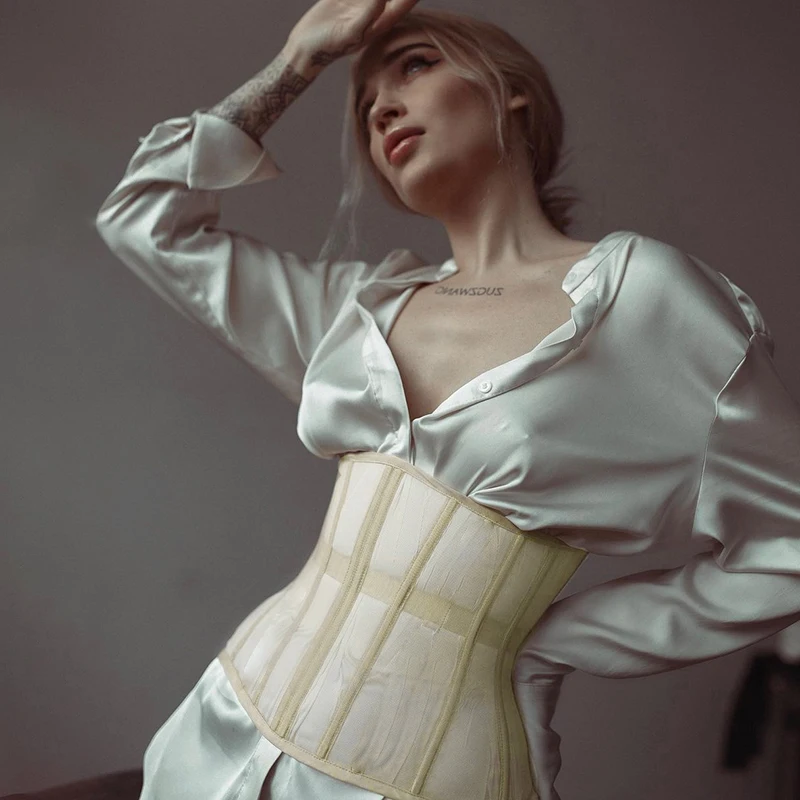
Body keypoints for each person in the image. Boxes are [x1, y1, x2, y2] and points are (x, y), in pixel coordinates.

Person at [94, 1, 800, 799]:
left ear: (512, 91)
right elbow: (144, 222)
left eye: (417, 65)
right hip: (223, 733)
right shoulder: (356, 312)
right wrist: (296, 65)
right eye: (365, 105)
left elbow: (790, 545)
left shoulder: (643, 299)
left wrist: (559, 638)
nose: (381, 108)